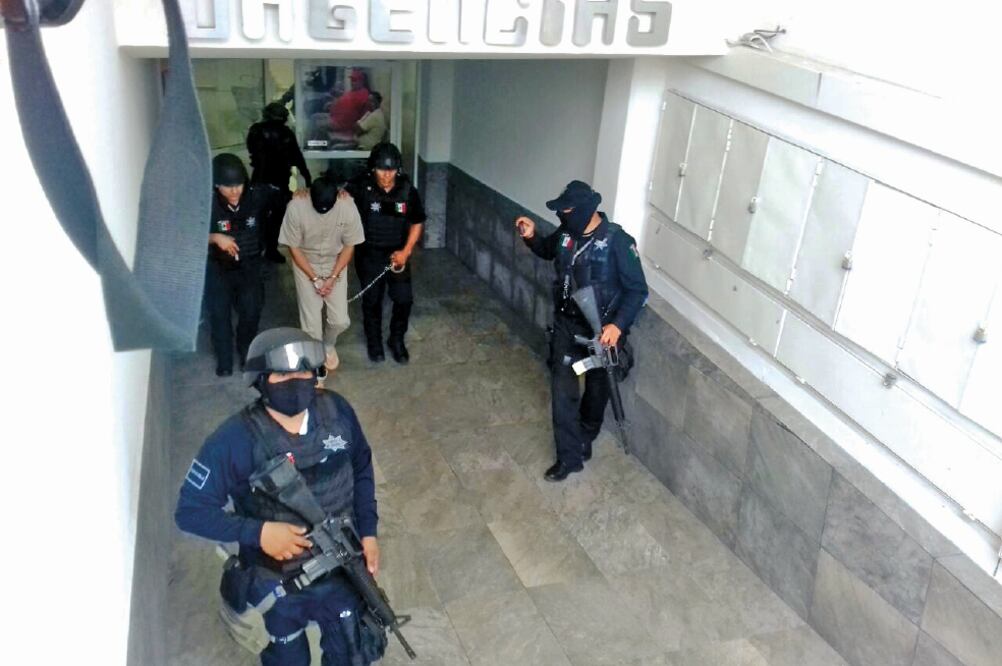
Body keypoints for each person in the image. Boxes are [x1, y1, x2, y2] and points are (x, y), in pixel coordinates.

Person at [175, 327, 381, 665]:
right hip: (277, 584)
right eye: (283, 373)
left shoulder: (338, 412)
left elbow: (361, 468)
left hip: (343, 567)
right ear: (260, 380)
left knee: (353, 652)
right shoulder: (234, 440)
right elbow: (190, 511)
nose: (297, 380)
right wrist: (258, 533)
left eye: (303, 371)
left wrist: (369, 533)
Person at [515, 180, 649, 482]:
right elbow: (547, 250)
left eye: (567, 211)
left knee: (596, 393)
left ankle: (585, 436)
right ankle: (569, 457)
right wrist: (531, 235)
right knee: (562, 391)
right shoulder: (566, 234)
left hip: (602, 333)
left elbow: (638, 291)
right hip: (567, 325)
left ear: (585, 210)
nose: (562, 216)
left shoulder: (617, 242)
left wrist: (617, 326)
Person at [344, 142, 426, 364]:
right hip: (369, 253)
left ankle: (396, 340)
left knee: (404, 299)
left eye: (391, 170)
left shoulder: (408, 190)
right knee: (372, 301)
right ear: (373, 168)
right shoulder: (361, 187)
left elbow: (417, 222)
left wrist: (406, 252)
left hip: (397, 254)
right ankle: (374, 342)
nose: (386, 175)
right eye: (381, 170)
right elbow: (336, 199)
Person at [279, 177, 365, 377]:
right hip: (305, 263)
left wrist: (333, 277)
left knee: (340, 320)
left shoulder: (347, 205)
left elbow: (349, 245)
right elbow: (293, 247)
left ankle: (327, 345)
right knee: (311, 324)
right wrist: (315, 278)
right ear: (309, 195)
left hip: (336, 263)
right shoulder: (296, 206)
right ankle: (316, 360)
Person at [206, 154, 279, 377]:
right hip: (218, 267)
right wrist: (215, 237)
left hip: (249, 264)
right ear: (216, 185)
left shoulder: (256, 196)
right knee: (219, 314)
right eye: (228, 187)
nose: (235, 191)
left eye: (238, 185)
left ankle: (246, 349)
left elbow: (287, 199)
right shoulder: (205, 203)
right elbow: (185, 232)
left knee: (252, 309)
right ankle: (225, 358)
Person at [247, 102, 313, 264]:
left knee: (257, 217)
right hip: (280, 182)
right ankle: (271, 249)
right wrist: (307, 176)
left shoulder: (256, 130)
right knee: (277, 219)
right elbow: (297, 157)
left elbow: (252, 151)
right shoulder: (286, 133)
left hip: (260, 181)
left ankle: (257, 249)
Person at [330, 70, 370, 139]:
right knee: (316, 116)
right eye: (351, 80)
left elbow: (359, 115)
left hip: (341, 124)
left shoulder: (364, 94)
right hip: (335, 118)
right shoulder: (354, 91)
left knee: (315, 121)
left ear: (361, 82)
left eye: (354, 80)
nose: (352, 82)